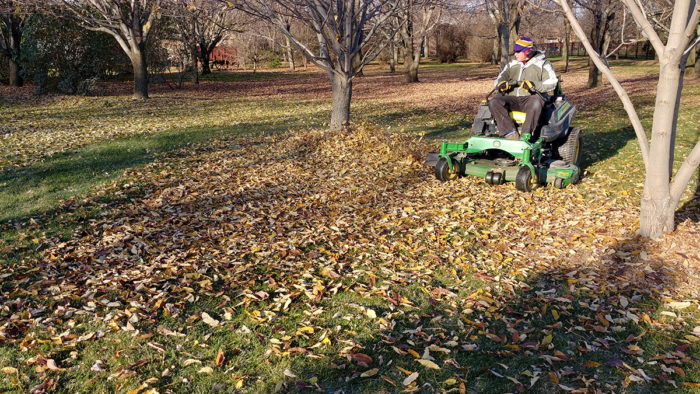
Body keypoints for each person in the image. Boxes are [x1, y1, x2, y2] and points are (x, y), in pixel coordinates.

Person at [488, 36, 558, 140]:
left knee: (535, 102)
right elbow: (499, 79)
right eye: (515, 51)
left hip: (531, 98)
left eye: (518, 51)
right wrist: (501, 84)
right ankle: (511, 135)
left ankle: (525, 137)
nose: (515, 54)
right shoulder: (512, 64)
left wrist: (534, 85)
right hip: (512, 98)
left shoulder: (543, 63)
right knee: (494, 102)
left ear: (527, 52)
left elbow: (552, 81)